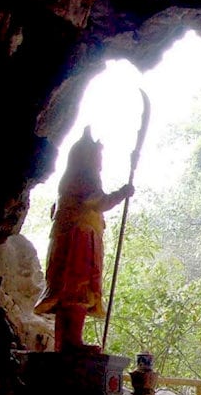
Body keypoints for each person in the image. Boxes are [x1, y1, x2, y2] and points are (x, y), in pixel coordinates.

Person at [34, 127, 134, 352]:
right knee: (76, 287)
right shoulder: (83, 177)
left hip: (81, 235)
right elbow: (97, 201)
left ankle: (68, 341)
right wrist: (122, 193)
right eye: (97, 156)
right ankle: (69, 342)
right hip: (78, 239)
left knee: (77, 289)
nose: (100, 161)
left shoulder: (77, 177)